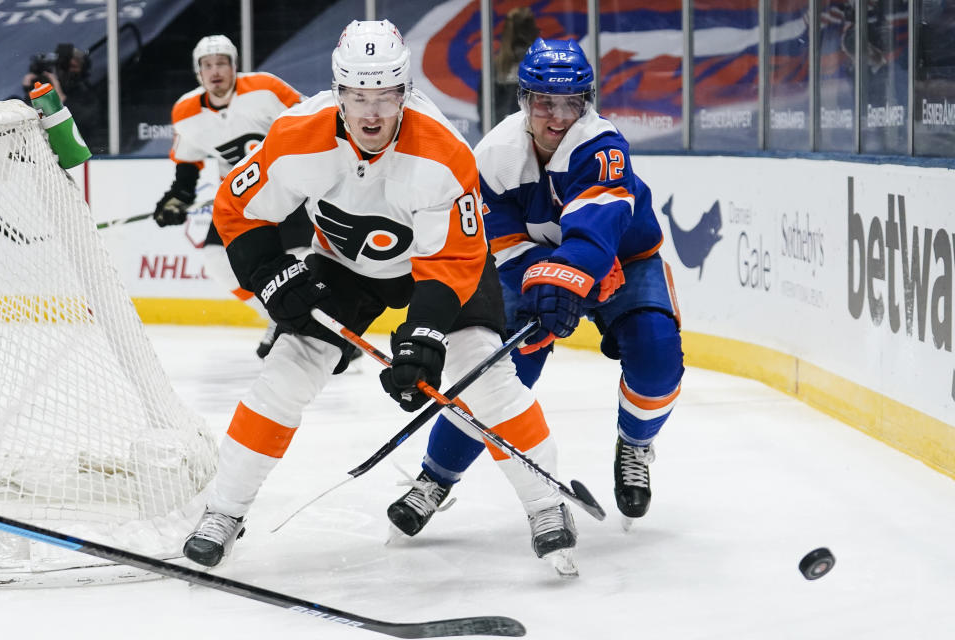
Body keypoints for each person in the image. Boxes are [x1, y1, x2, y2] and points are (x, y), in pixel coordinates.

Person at [182, 20, 578, 573]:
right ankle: (223, 512)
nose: (372, 113)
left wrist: (424, 339)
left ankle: (545, 504)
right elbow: (237, 209)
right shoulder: (297, 135)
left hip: (440, 268)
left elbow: (452, 263)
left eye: (386, 96)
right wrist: (270, 274)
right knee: (288, 372)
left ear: (405, 92)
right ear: (339, 93)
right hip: (346, 264)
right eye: (359, 96)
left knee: (484, 375)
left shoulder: (444, 153)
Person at [388, 38, 684, 532]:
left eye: (571, 103)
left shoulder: (602, 145)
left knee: (657, 353)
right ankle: (435, 476)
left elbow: (595, 230)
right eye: (544, 101)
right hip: (537, 269)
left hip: (625, 263)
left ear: (586, 103)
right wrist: (547, 283)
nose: (558, 116)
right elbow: (500, 246)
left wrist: (565, 278)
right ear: (524, 100)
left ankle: (634, 444)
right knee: (497, 372)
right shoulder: (492, 158)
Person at [153, 34, 313, 358]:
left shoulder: (266, 89)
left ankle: (318, 327)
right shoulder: (186, 112)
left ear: (234, 67)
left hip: (287, 188)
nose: (215, 71)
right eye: (207, 65)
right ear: (198, 72)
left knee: (299, 256)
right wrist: (177, 199)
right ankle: (278, 315)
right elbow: (187, 166)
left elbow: (311, 120)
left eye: (222, 63)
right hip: (240, 199)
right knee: (216, 258)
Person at [21, 43, 106, 153]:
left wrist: (59, 97)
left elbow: (87, 121)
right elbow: (34, 119)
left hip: (77, 152)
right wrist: (30, 92)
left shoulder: (85, 91)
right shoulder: (43, 88)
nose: (66, 72)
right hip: (41, 152)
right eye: (59, 68)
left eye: (73, 67)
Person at [478, 7, 539, 129]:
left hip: (501, 131)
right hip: (533, 132)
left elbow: (484, 111)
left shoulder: (496, 66)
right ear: (533, 31)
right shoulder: (539, 63)